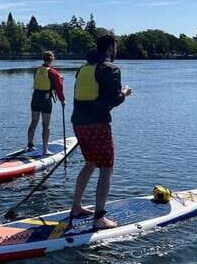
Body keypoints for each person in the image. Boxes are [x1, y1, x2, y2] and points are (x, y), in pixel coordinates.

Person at [69, 34, 132, 230]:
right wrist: (124, 93)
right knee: (106, 167)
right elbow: (113, 100)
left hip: (78, 123)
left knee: (90, 163)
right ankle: (99, 218)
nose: (116, 51)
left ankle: (76, 207)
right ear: (110, 48)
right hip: (97, 125)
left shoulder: (83, 68)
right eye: (115, 48)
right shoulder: (111, 69)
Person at [27, 50, 65, 155]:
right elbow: (59, 88)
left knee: (34, 121)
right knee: (46, 125)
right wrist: (62, 100)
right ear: (52, 59)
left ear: (43, 59)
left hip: (35, 97)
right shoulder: (53, 72)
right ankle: (44, 149)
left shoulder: (37, 70)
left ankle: (30, 145)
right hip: (46, 99)